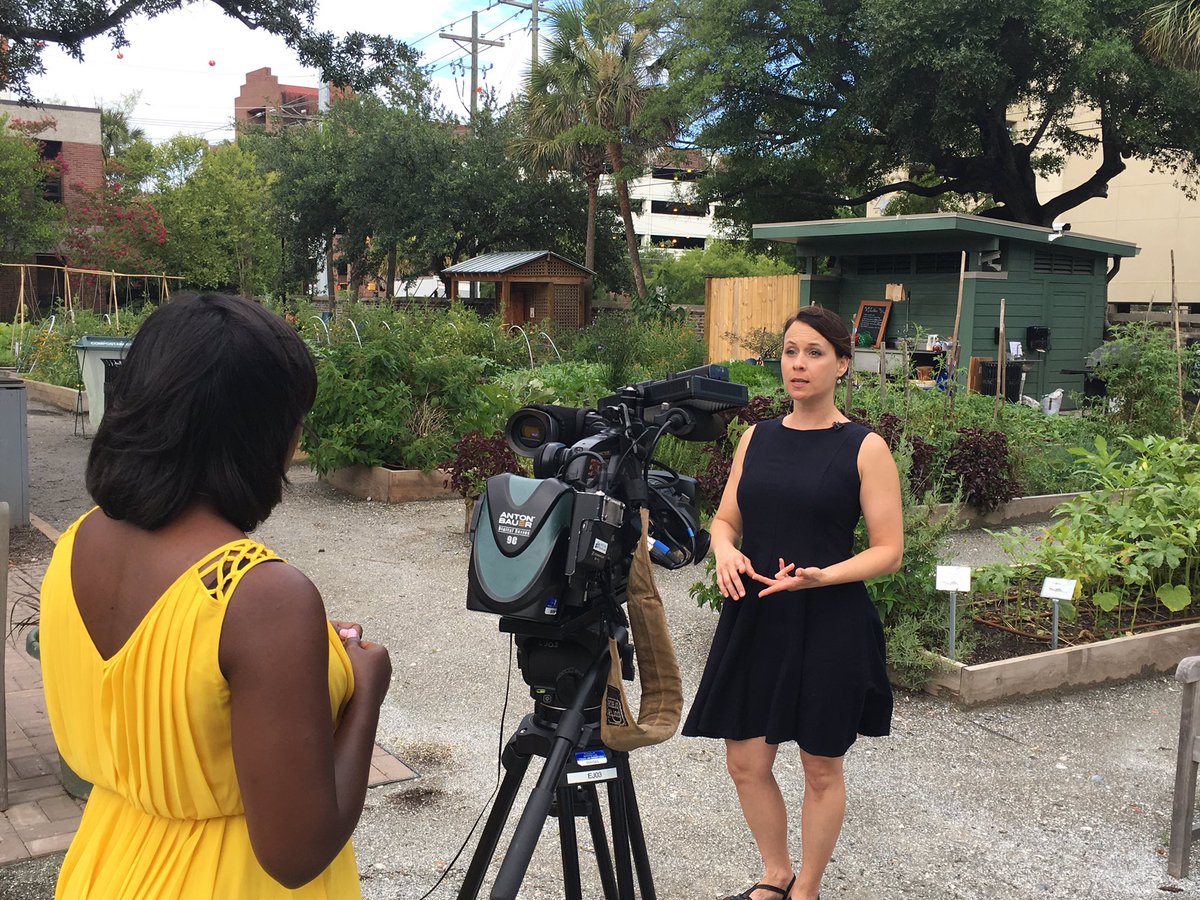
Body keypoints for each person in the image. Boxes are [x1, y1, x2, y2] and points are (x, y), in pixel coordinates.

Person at [39, 293, 393, 899]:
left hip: (108, 864)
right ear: (264, 433)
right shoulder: (263, 596)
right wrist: (366, 694)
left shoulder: (77, 541)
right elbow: (296, 854)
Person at [682, 305, 904, 900]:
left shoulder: (865, 447)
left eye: (814, 353)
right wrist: (723, 552)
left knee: (820, 766)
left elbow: (889, 550)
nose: (799, 365)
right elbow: (725, 520)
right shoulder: (756, 437)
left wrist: (822, 576)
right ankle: (775, 873)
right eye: (790, 352)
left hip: (828, 620)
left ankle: (806, 888)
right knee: (745, 762)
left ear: (842, 364)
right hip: (757, 615)